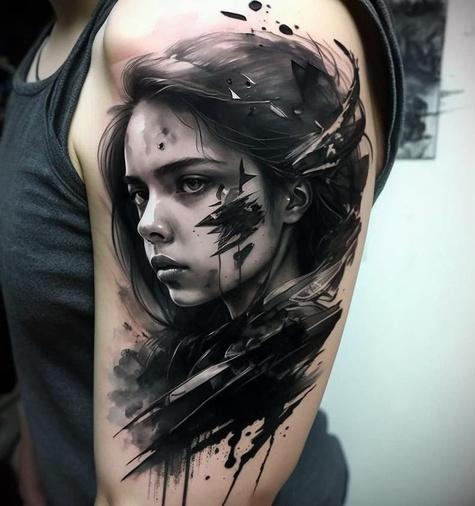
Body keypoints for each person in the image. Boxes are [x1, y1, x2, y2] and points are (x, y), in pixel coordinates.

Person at [0, 0, 404, 505]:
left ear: (293, 197)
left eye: (192, 182)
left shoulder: (194, 17)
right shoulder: (47, 38)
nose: (147, 224)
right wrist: (38, 440)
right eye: (138, 193)